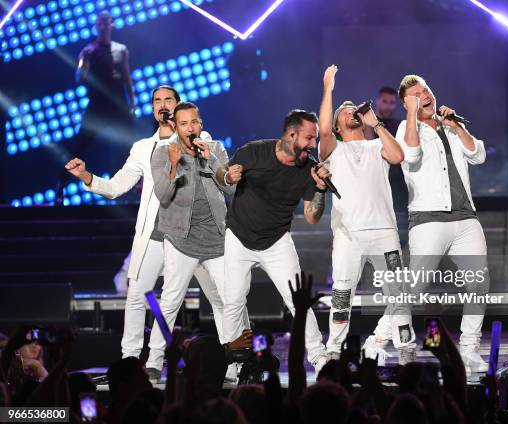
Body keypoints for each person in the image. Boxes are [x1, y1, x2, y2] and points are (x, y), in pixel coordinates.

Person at [65, 87, 248, 374]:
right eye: (157, 101)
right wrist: (88, 177)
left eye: (168, 101)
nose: (162, 105)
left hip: (198, 233)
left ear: (179, 109)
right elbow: (116, 187)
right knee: (139, 295)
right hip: (155, 233)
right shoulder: (142, 148)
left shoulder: (206, 142)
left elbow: (226, 180)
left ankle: (235, 361)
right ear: (152, 109)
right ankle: (132, 361)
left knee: (222, 297)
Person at [367, 74, 490, 372]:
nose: (425, 96)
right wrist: (410, 114)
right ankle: (379, 339)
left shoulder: (449, 126)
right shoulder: (406, 128)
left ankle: (469, 347)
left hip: (465, 217)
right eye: (416, 94)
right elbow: (410, 154)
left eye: (426, 90)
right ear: (408, 102)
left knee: (479, 284)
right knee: (414, 289)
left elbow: (478, 155)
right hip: (428, 219)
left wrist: (456, 127)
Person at [217, 110, 331, 372]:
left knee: (298, 300)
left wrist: (321, 189)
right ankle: (231, 361)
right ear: (291, 135)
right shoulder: (254, 152)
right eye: (309, 138)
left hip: (277, 241)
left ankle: (318, 356)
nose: (313, 145)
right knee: (233, 301)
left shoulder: (309, 169)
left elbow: (313, 217)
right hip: (239, 236)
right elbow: (222, 174)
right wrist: (227, 176)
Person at [317, 65, 414, 364]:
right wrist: (328, 89)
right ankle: (334, 347)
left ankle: (406, 348)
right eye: (343, 111)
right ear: (337, 125)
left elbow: (398, 156)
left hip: (384, 230)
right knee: (342, 293)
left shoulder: (376, 146)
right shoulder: (333, 150)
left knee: (397, 293)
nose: (350, 111)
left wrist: (378, 123)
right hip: (349, 234)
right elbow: (321, 130)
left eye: (353, 109)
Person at [145, 101, 245, 380]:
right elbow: (163, 196)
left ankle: (234, 362)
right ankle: (154, 359)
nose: (191, 128)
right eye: (184, 123)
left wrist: (211, 158)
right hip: (180, 239)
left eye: (195, 122)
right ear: (175, 127)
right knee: (170, 302)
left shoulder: (214, 148)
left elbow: (231, 185)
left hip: (215, 237)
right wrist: (174, 165)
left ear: (201, 124)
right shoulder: (163, 153)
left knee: (228, 299)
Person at [59, 12, 135, 199]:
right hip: (98, 106)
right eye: (99, 23)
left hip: (118, 104)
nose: (103, 26)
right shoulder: (89, 50)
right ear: (96, 26)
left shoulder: (121, 50)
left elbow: (127, 77)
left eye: (106, 23)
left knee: (129, 148)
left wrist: (132, 103)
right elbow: (80, 79)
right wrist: (83, 62)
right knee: (79, 147)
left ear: (112, 25)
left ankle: (132, 188)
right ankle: (60, 185)